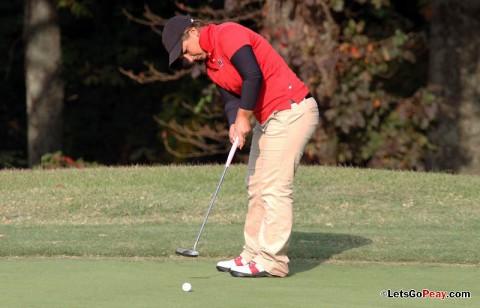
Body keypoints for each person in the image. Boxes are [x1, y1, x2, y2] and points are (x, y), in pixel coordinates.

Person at [162, 15, 319, 278]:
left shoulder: (228, 34)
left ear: (192, 32)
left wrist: (245, 117)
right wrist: (236, 121)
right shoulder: (211, 64)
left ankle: (273, 261)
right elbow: (231, 100)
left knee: (274, 187)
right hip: (270, 118)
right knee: (256, 186)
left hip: (292, 110)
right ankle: (252, 254)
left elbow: (252, 75)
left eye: (185, 50)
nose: (187, 59)